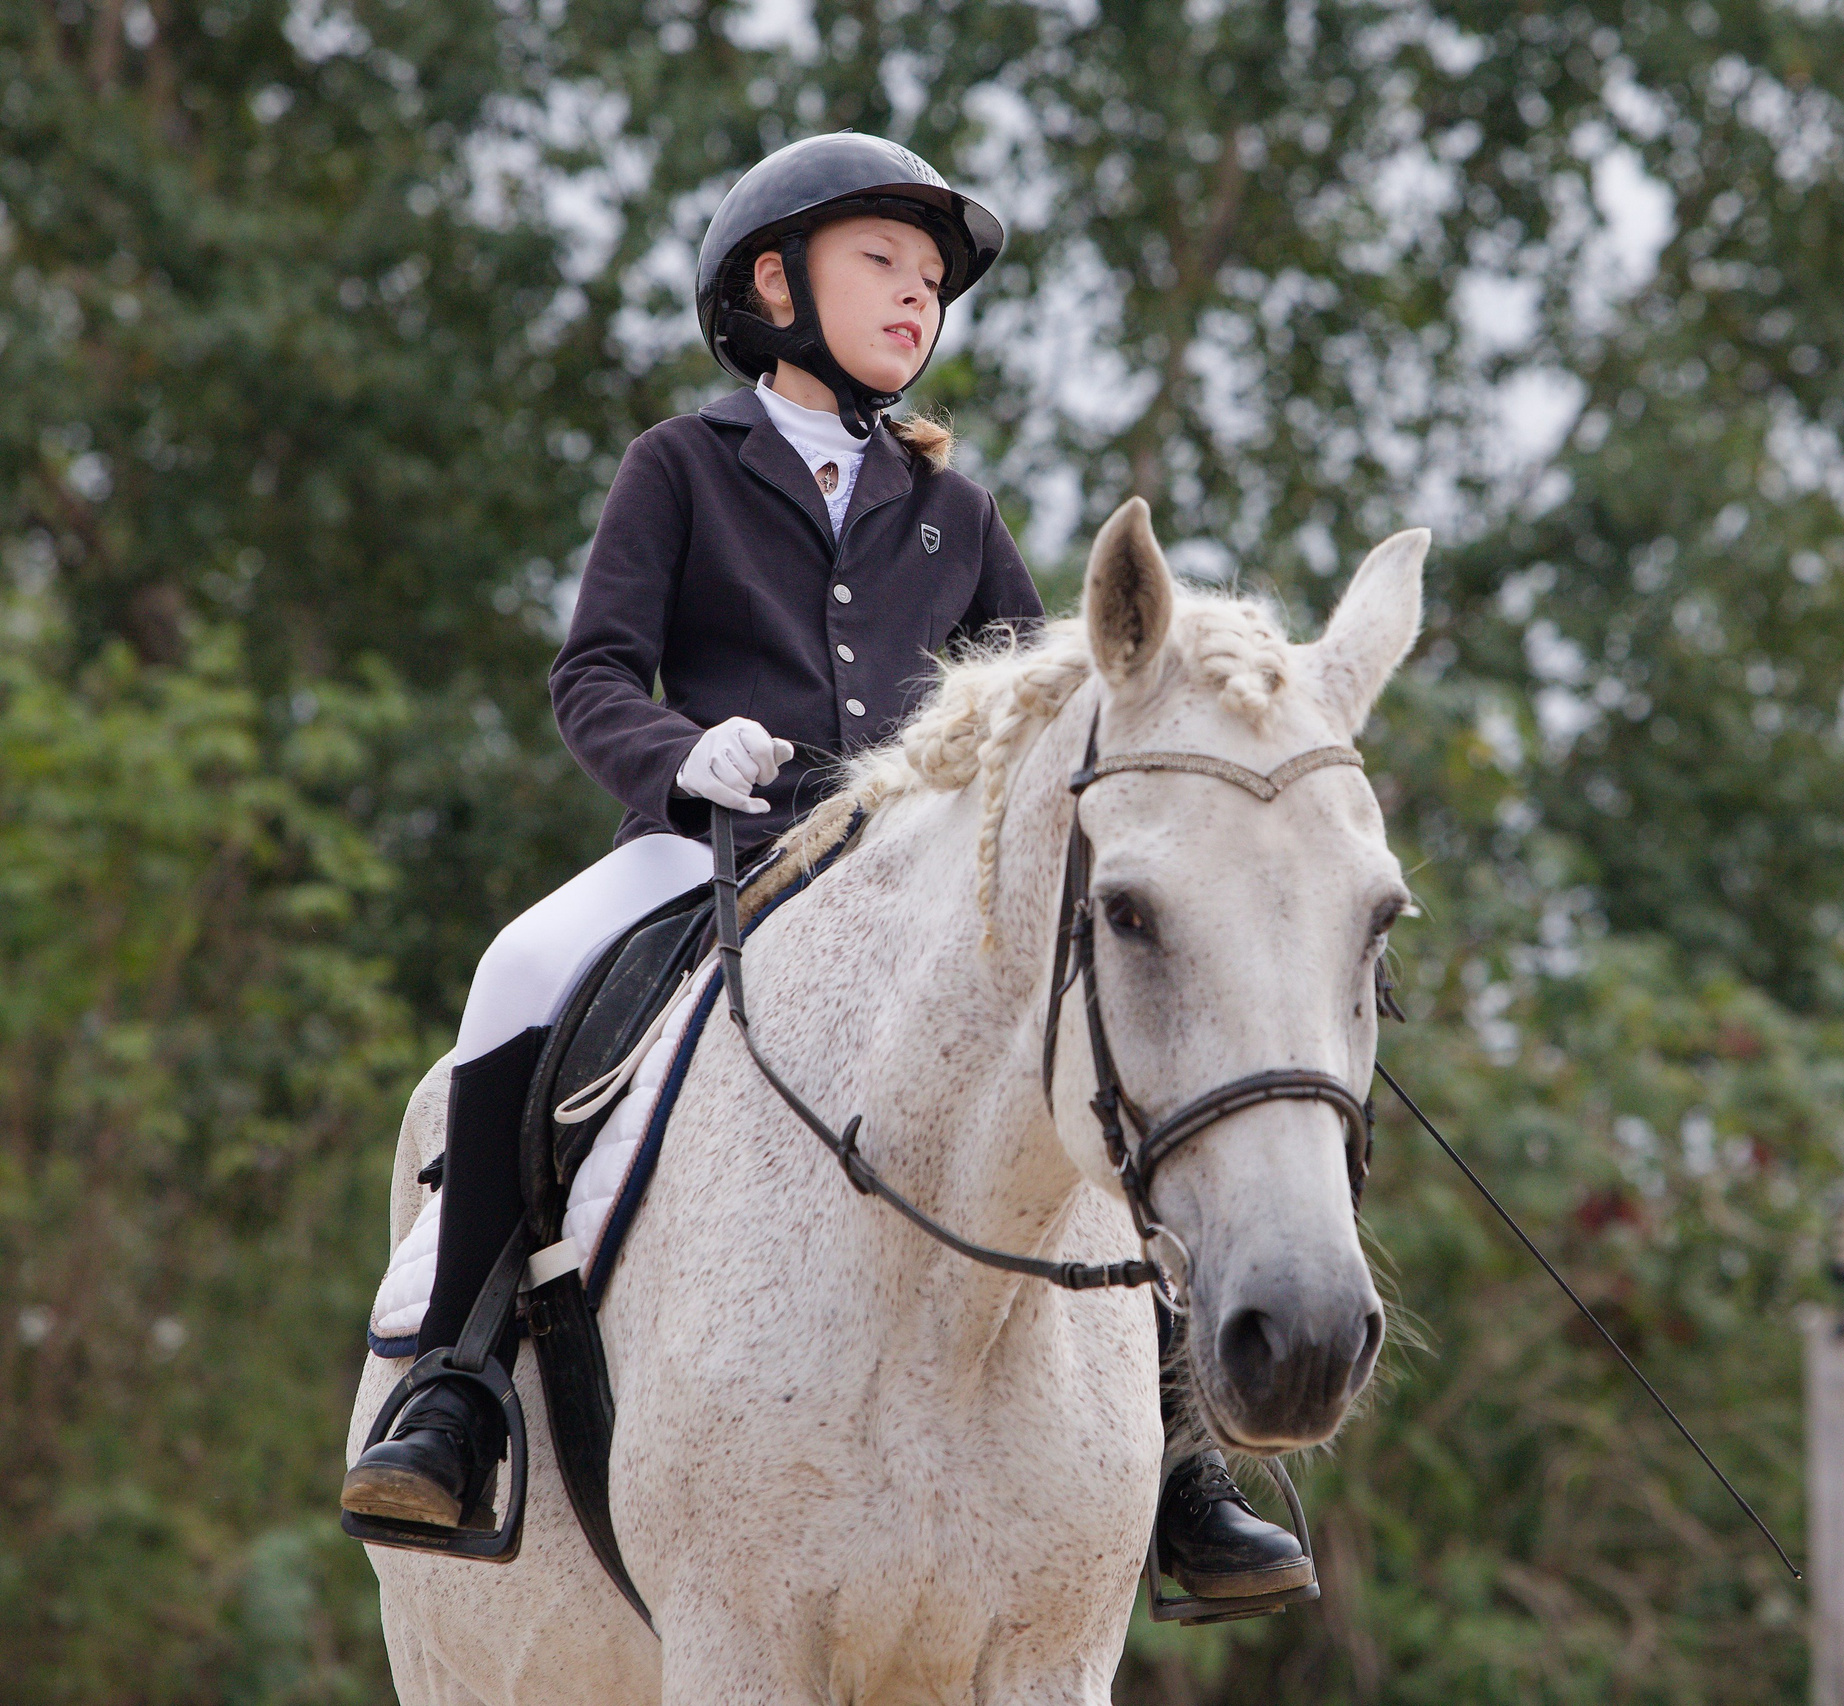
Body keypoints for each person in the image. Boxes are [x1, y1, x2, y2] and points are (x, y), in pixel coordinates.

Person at [339, 132, 1310, 1601]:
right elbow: (592, 668)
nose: (918, 300)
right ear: (776, 285)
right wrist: (676, 754)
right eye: (884, 266)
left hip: (905, 888)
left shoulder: (958, 513)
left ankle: (1181, 1458)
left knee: (1083, 1051)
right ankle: (460, 1391)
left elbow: (1049, 708)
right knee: (517, 972)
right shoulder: (683, 464)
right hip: (708, 852)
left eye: (933, 283)